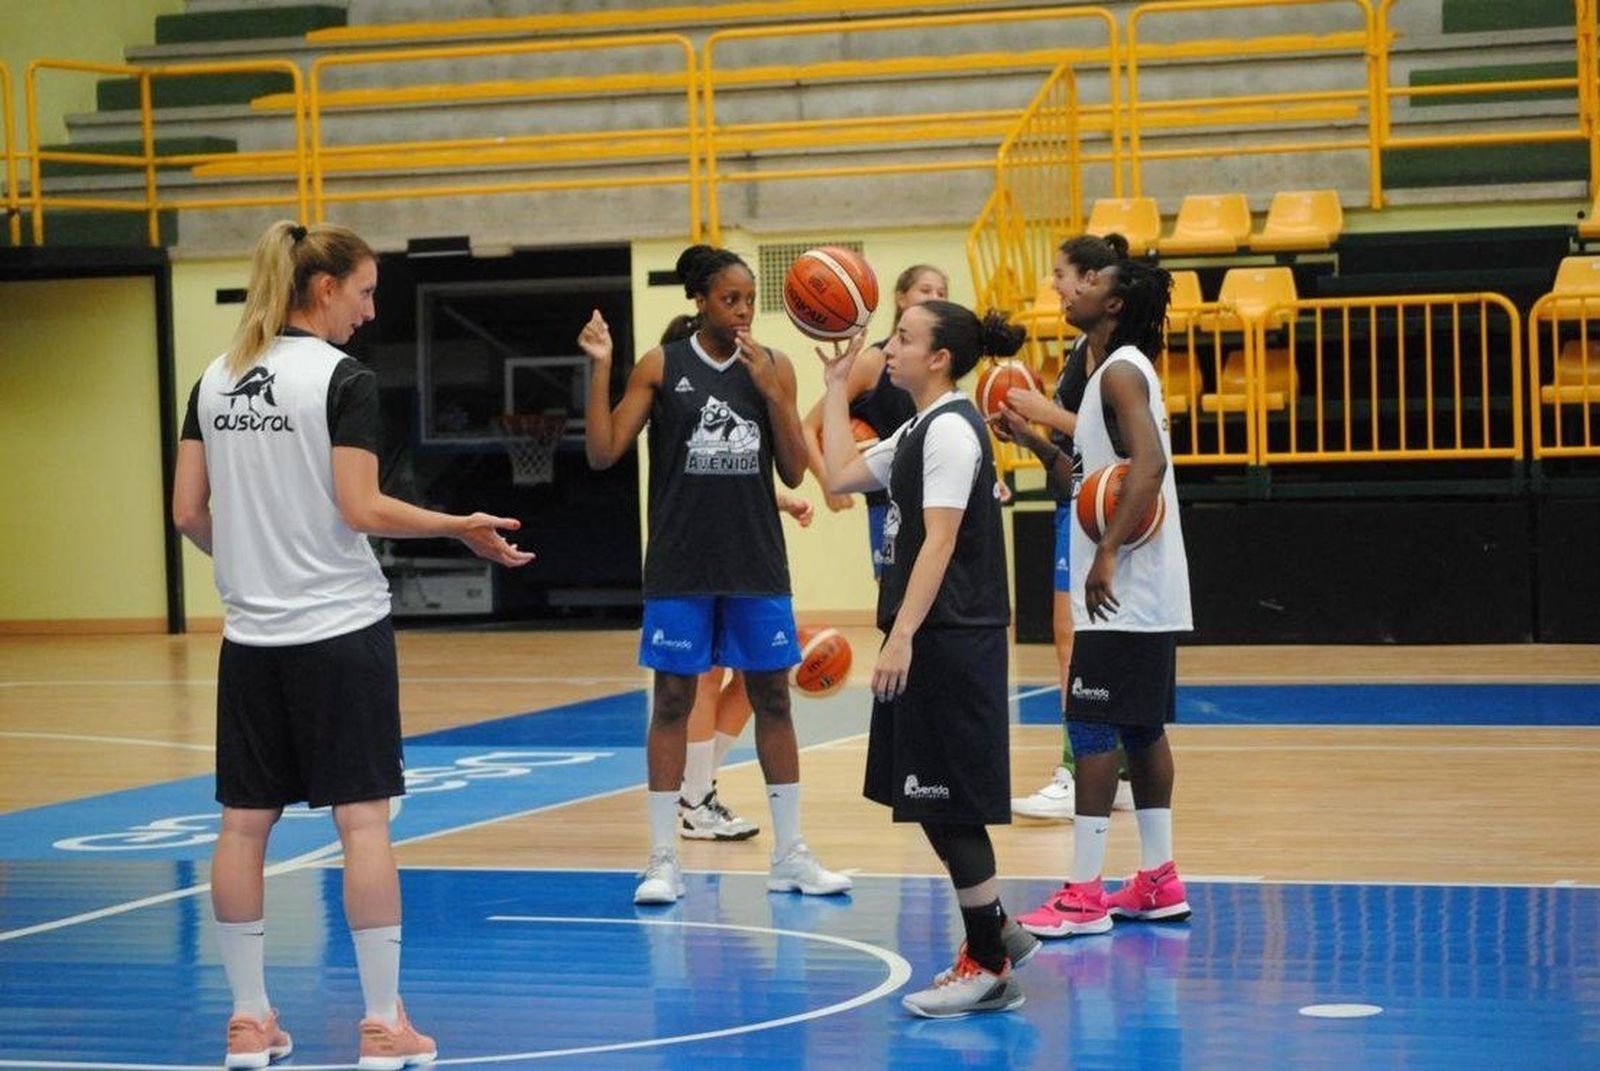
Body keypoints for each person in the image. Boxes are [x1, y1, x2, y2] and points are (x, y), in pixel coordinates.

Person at [172, 220, 533, 1068]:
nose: (370, 312)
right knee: (364, 825)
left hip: (251, 637)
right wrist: (459, 524)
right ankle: (380, 1023)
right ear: (323, 288)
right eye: (365, 292)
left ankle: (250, 1020)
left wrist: (252, 561)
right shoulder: (343, 379)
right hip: (339, 630)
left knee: (242, 828)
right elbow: (362, 507)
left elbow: (189, 510)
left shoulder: (213, 379)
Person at [579, 243, 851, 904]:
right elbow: (603, 451)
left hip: (756, 564)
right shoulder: (661, 365)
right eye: (729, 300)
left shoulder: (774, 367)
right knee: (672, 700)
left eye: (749, 301)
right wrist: (601, 368)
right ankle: (663, 857)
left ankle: (790, 853)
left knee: (774, 699)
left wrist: (774, 395)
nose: (742, 313)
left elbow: (791, 469)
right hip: (680, 567)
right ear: (698, 300)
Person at [816, 299, 1040, 1018]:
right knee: (927, 797)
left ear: (937, 357)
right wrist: (831, 384)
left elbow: (939, 540)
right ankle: (996, 925)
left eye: (902, 338)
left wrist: (902, 633)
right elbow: (840, 475)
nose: (889, 346)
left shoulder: (950, 432)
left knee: (951, 802)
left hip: (947, 636)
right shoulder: (917, 427)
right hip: (930, 632)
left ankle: (989, 962)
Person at [1012, 258, 1194, 940]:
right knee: (1141, 728)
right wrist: (1033, 440)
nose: (1073, 288)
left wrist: (1110, 551)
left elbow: (1149, 465)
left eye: (1088, 283)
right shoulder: (1110, 374)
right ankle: (1157, 878)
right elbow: (1084, 479)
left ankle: (1084, 893)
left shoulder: (1120, 370)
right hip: (1142, 592)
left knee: (1090, 726)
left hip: (1126, 589)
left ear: (1114, 304)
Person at [997, 234, 1136, 820]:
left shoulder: (1124, 358)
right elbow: (1072, 453)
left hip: (1115, 513)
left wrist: (1044, 413)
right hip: (1076, 504)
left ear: (1093, 282)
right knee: (1077, 643)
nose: (1054, 284)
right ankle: (1116, 771)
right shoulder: (1080, 351)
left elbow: (1118, 439)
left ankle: (1075, 769)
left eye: (1062, 274)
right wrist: (1030, 436)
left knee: (1077, 644)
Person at [679, 490, 815, 841]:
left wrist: (780, 500)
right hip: (699, 550)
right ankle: (695, 800)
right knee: (707, 675)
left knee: (756, 675)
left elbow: (742, 471)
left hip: (751, 554)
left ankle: (695, 789)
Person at [801, 265, 947, 576]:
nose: (934, 297)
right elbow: (808, 428)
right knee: (894, 607)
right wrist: (829, 482)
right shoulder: (873, 362)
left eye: (941, 293)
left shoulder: (941, 363)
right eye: (925, 290)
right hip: (888, 506)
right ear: (901, 298)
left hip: (939, 502)